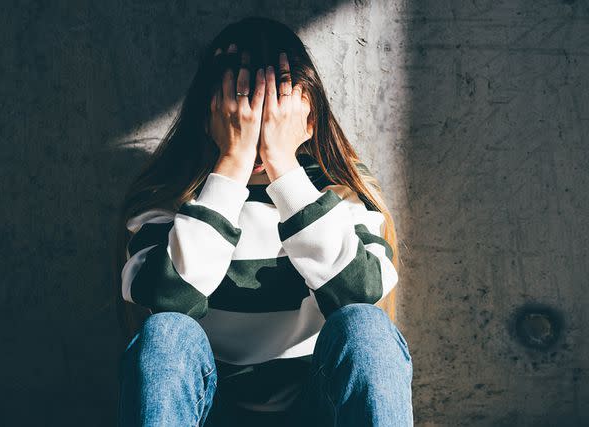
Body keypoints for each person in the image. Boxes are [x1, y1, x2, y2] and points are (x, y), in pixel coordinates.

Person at [114, 16, 413, 427]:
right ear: (211, 116)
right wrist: (232, 163)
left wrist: (284, 169)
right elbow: (167, 300)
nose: (256, 131)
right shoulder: (170, 198)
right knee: (166, 335)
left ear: (308, 120)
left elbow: (358, 293)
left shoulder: (339, 194)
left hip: (317, 407)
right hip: (208, 409)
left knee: (366, 327)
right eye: (240, 112)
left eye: (273, 116)